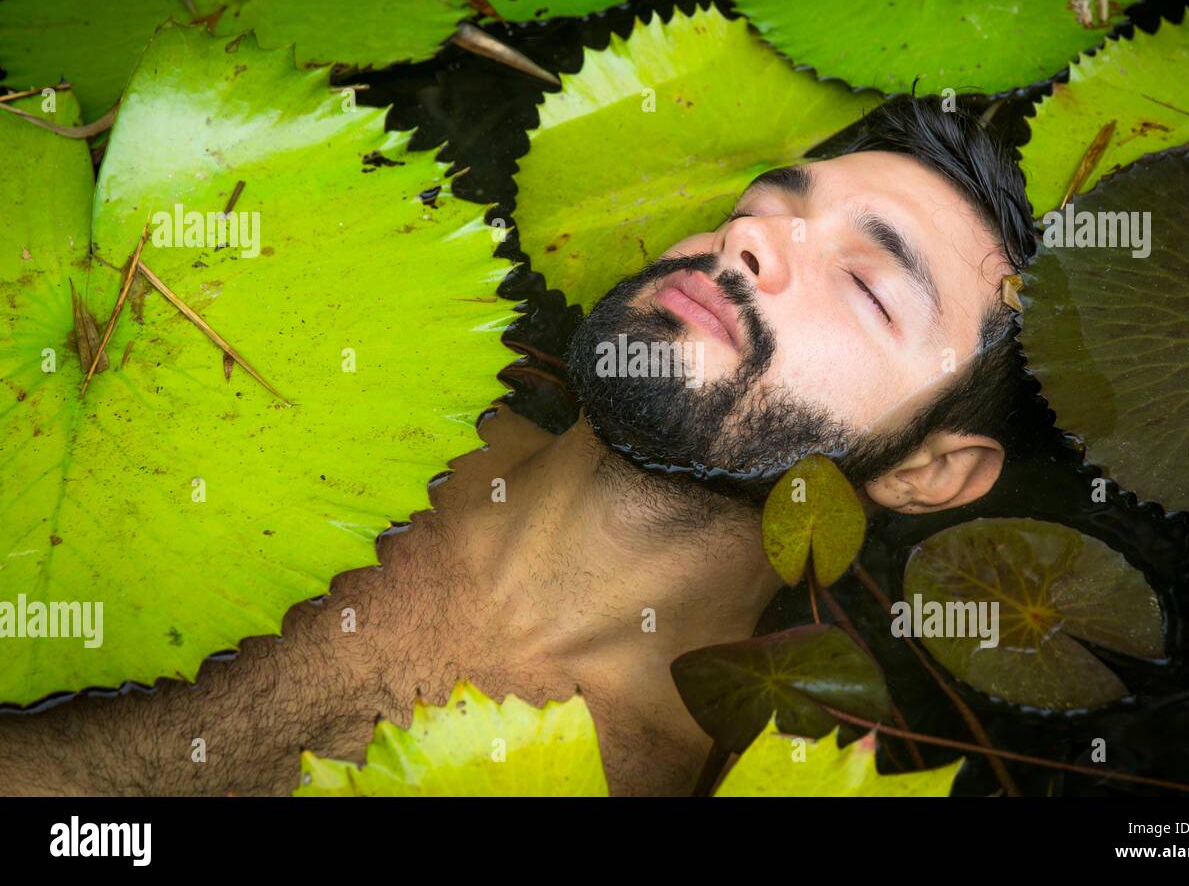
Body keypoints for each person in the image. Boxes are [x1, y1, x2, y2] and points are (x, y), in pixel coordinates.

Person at [0, 94, 1037, 797]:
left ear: (931, 469)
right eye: (759, 210)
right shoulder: (328, 393)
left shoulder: (688, 782)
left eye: (864, 284)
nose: (747, 240)